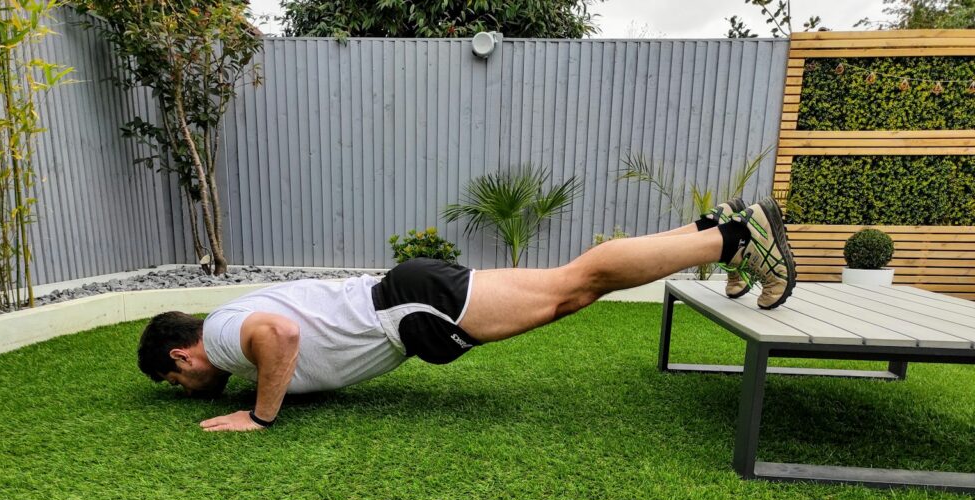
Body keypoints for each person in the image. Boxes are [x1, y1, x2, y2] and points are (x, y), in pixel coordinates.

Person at [137, 196, 795, 432]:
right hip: (408, 300)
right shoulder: (230, 316)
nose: (190, 388)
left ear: (181, 356)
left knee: (577, 283)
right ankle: (720, 227)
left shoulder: (221, 336)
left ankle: (736, 240)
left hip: (408, 307)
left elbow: (278, 336)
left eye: (178, 383)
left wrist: (260, 415)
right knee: (578, 288)